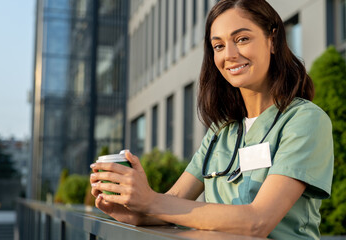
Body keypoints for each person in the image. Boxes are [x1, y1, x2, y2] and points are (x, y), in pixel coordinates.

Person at [90, 0, 334, 239]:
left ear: (272, 40)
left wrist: (151, 201)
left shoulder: (304, 120)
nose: (230, 55)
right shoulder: (221, 131)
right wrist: (131, 208)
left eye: (242, 39)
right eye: (218, 46)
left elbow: (258, 222)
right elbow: (173, 203)